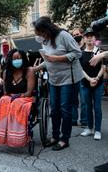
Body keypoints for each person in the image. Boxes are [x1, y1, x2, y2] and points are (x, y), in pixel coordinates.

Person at [33, 16, 83, 150]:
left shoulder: (64, 35)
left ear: (47, 29)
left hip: (68, 78)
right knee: (54, 109)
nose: (40, 36)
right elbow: (48, 59)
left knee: (65, 109)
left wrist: (57, 58)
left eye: (41, 33)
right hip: (53, 78)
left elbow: (77, 53)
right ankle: (55, 136)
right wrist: (36, 68)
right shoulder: (45, 39)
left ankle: (64, 139)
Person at [0, 49, 35, 147]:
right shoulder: (6, 72)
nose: (17, 60)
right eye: (14, 58)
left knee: (16, 103)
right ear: (10, 60)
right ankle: (2, 134)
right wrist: (10, 97)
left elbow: (29, 92)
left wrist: (19, 96)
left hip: (25, 97)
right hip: (10, 97)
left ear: (23, 59)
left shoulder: (29, 71)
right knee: (3, 101)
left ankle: (16, 137)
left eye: (19, 58)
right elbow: (5, 92)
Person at [80, 28, 105, 140]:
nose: (89, 38)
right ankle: (90, 128)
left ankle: (98, 130)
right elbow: (80, 69)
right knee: (87, 106)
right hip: (86, 83)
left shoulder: (100, 52)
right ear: (84, 39)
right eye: (87, 36)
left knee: (97, 107)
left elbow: (104, 67)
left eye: (91, 36)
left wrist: (97, 78)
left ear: (95, 39)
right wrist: (90, 79)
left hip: (98, 83)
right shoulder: (80, 53)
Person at [71, 28, 87, 127]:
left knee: (84, 100)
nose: (75, 37)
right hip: (73, 77)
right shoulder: (72, 48)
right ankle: (73, 119)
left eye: (77, 34)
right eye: (73, 35)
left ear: (82, 35)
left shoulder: (86, 48)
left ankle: (84, 120)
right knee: (73, 100)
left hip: (84, 77)